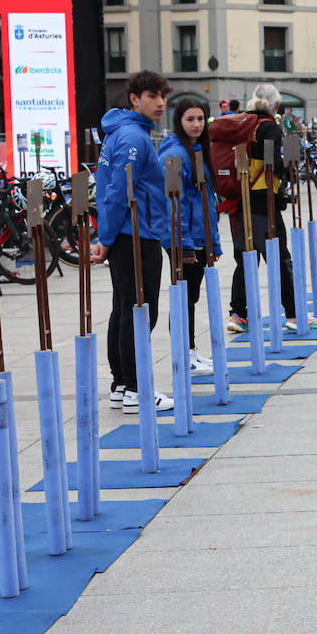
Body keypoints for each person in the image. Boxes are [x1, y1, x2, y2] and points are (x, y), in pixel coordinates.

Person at [90, 70, 175, 413]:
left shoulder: (122, 133)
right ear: (134, 99)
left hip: (131, 233)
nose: (160, 103)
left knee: (124, 309)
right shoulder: (132, 138)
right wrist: (106, 239)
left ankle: (122, 383)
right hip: (136, 235)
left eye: (162, 96)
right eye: (153, 96)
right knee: (140, 310)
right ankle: (136, 389)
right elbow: (115, 193)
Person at [226, 83, 317, 333]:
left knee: (245, 259)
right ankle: (293, 314)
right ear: (276, 105)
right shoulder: (269, 127)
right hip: (263, 200)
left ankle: (238, 314)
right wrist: (290, 159)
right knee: (280, 258)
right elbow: (276, 164)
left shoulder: (242, 124)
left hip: (238, 199)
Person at [157, 98, 222, 376]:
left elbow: (206, 201)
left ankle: (190, 351)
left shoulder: (197, 150)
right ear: (179, 122)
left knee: (190, 298)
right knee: (183, 298)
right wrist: (182, 245)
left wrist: (213, 241)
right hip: (184, 239)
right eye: (190, 119)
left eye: (200, 119)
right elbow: (174, 205)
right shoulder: (175, 154)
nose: (196, 125)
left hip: (198, 236)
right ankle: (183, 354)